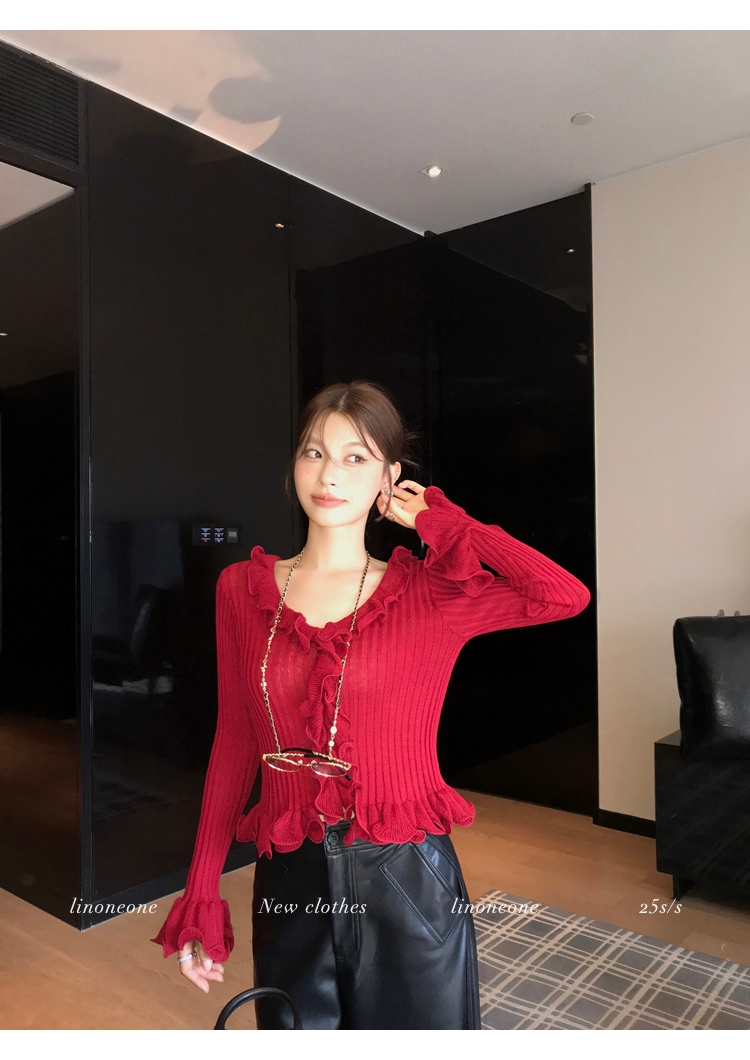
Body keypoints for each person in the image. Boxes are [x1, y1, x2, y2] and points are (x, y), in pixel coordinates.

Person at [151, 379, 591, 1029]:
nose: (329, 474)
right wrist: (200, 895)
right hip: (290, 878)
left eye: (355, 457)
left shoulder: (430, 594)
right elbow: (236, 742)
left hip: (408, 881)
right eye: (314, 452)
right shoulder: (240, 589)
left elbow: (562, 594)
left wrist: (448, 522)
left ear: (390, 477)